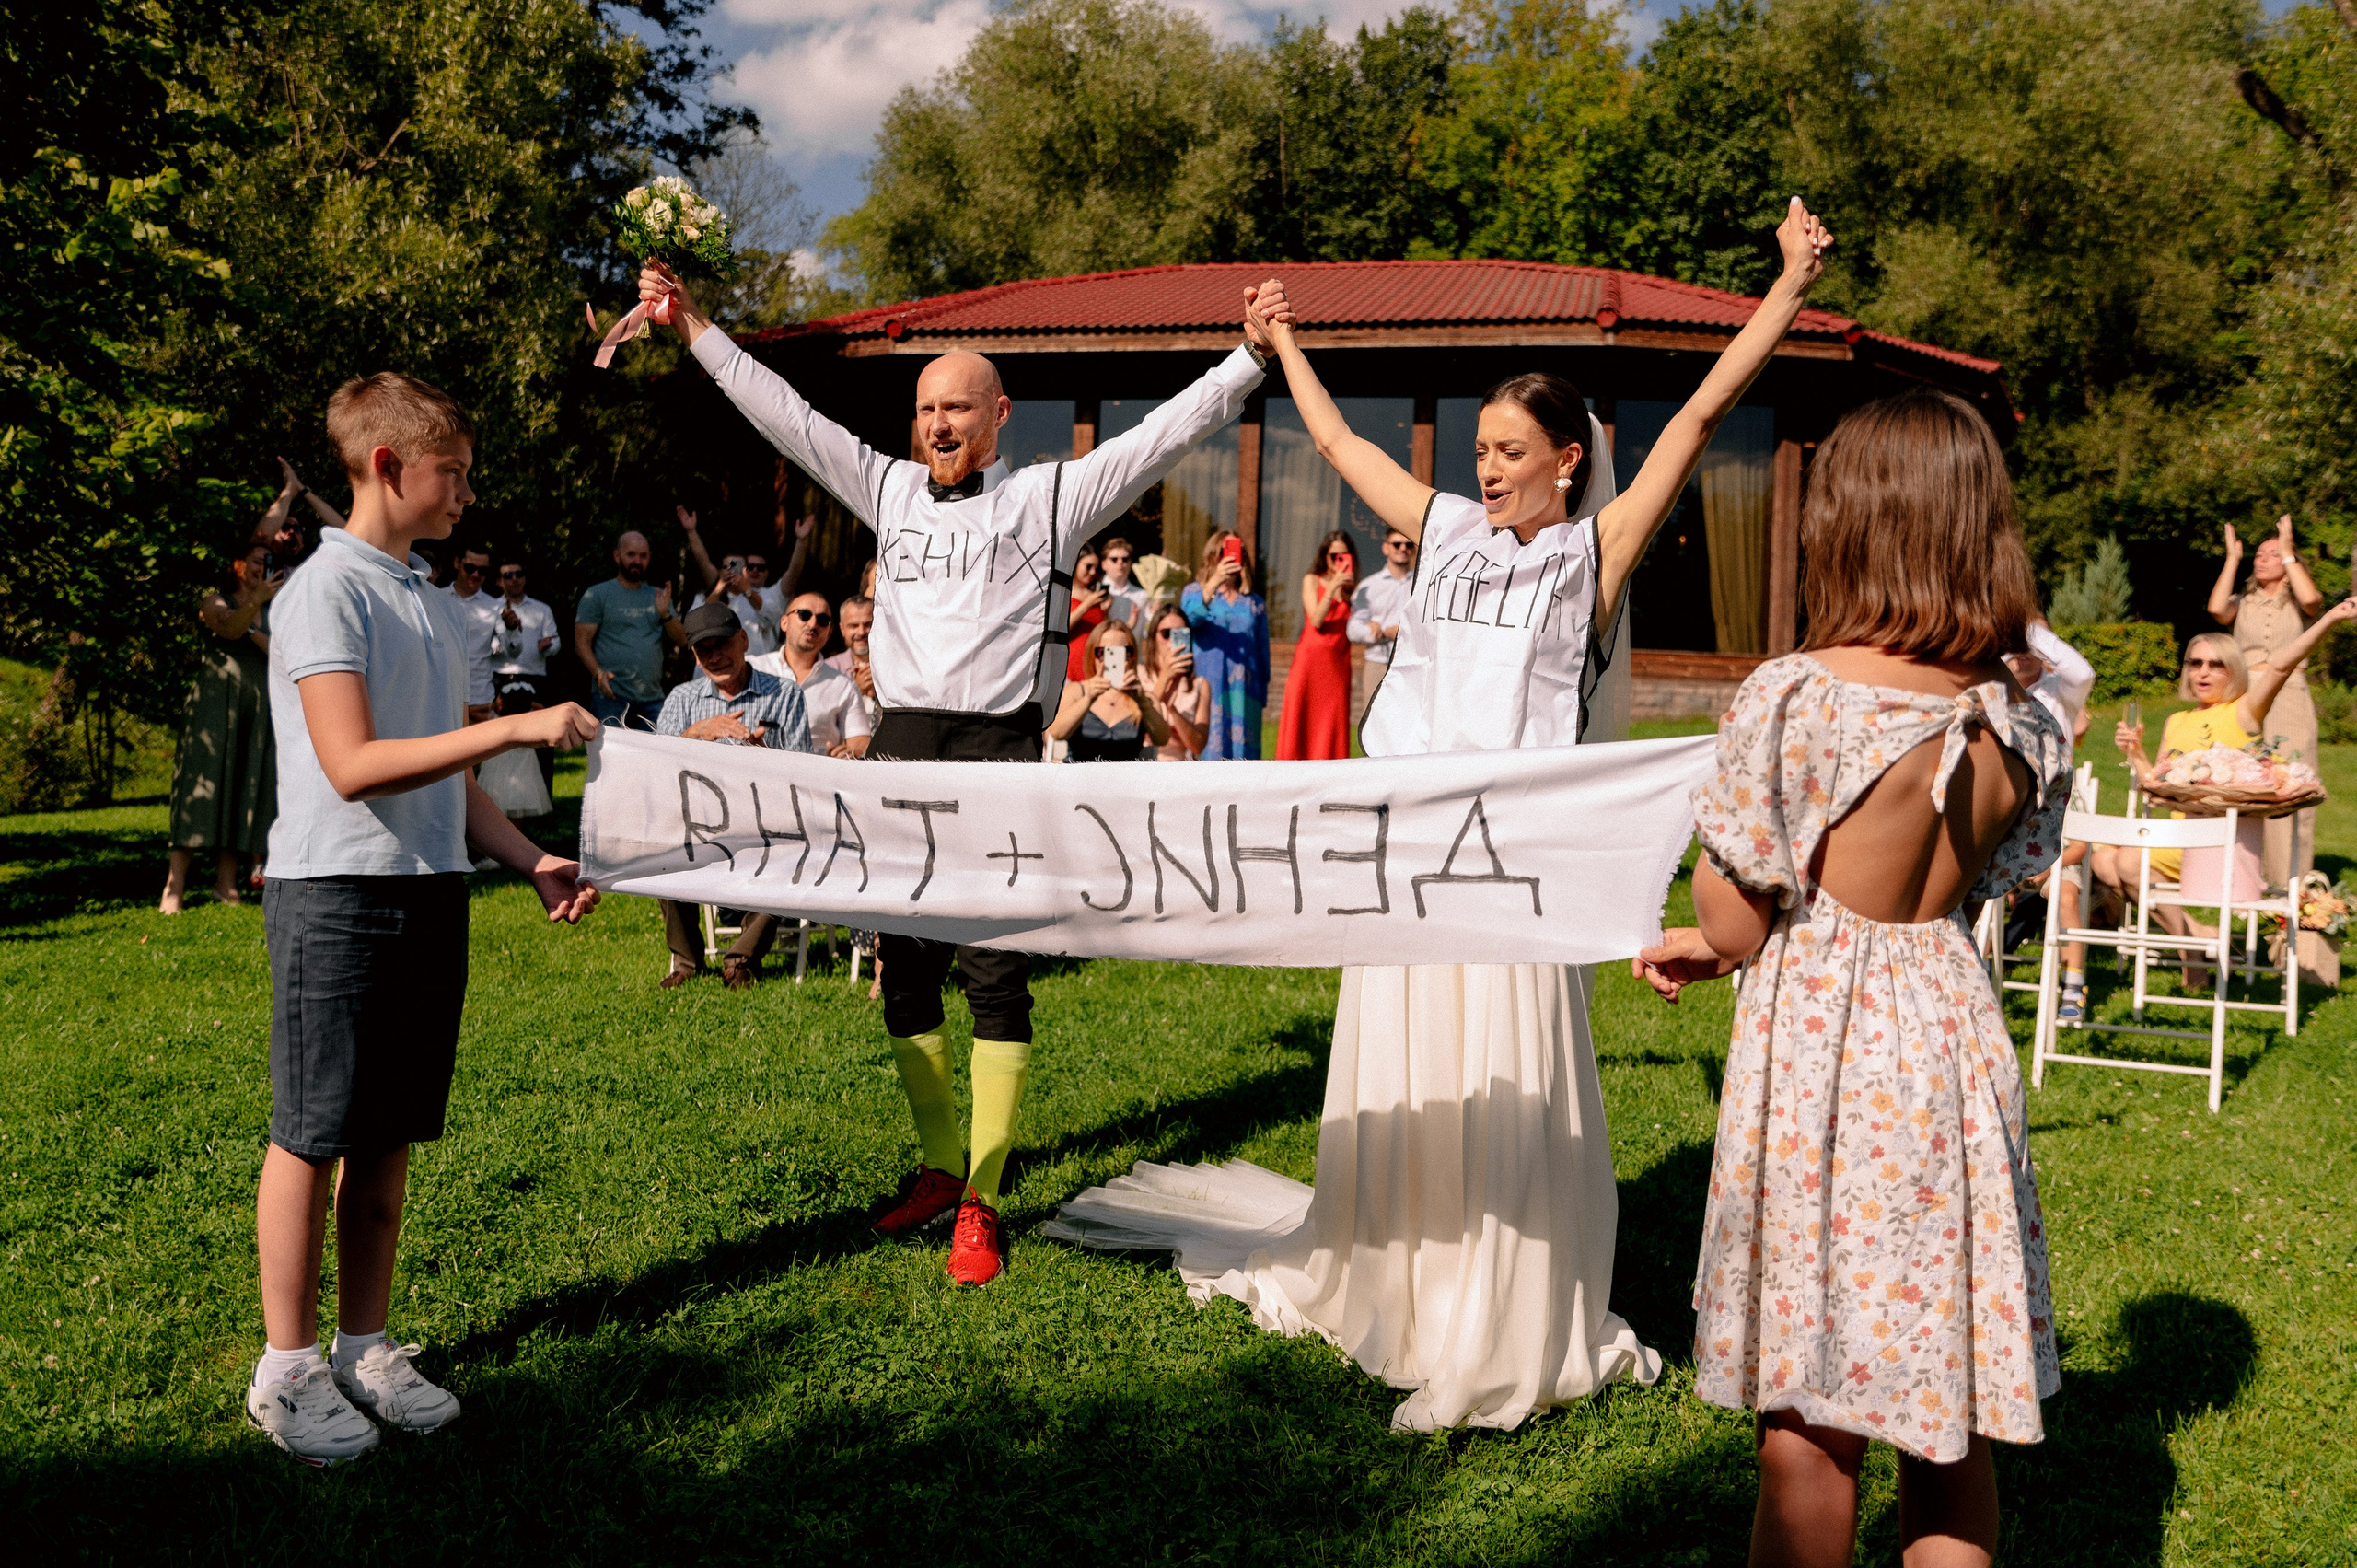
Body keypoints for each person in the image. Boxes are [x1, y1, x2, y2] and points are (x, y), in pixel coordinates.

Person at [1052, 199, 1837, 1431]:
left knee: (1502, 1067)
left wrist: (1785, 291)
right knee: (1409, 1058)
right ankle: (1397, 1266)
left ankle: (1497, 1298)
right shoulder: (1447, 530)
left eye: (1512, 450)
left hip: (1514, 861)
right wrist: (1284, 346)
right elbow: (1347, 455)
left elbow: (1696, 417)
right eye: (1480, 447)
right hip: (1410, 845)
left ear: (1569, 458)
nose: (1487, 465)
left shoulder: (1597, 551)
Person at [635, 253, 1276, 1286]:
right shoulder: (886, 486)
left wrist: (1247, 357)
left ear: (997, 415)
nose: (937, 422)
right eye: (926, 405)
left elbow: (1165, 433)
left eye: (957, 406)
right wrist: (694, 326)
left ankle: (981, 1196)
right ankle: (937, 1164)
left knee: (996, 979)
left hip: (997, 757)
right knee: (905, 971)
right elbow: (787, 417)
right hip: (901, 751)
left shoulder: (1051, 497)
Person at [1634, 386, 2071, 1568]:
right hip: (1950, 1037)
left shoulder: (1798, 693)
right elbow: (1987, 880)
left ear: (1852, 522)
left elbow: (1735, 912)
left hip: (1827, 1054)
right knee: (1946, 1416)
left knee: (1811, 1420)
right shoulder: (2030, 721)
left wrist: (1702, 933)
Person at [247, 372, 601, 1468]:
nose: (463, 494)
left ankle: (365, 1345)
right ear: (390, 468)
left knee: (389, 1131)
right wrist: (514, 728)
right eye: (451, 472)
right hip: (335, 892)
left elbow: (443, 779)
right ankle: (286, 1369)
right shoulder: (324, 593)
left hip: (425, 887)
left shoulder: (431, 599)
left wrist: (529, 854)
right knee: (313, 1133)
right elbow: (354, 764)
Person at [2108, 616, 2355, 983]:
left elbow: (2282, 664)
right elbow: (2159, 785)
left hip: (2225, 842)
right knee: (2103, 862)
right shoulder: (2177, 720)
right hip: (2180, 836)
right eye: (2195, 663)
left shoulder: (2244, 710)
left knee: (2126, 862)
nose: (2203, 673)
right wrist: (2136, 752)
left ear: (2234, 670)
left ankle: (2193, 950)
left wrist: (2331, 619)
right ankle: (2196, 940)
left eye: (2215, 664)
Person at [655, 602, 816, 990]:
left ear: (744, 640)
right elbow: (656, 770)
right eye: (703, 649)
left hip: (765, 819)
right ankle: (687, 960)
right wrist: (693, 735)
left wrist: (765, 761)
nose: (714, 655)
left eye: (722, 644)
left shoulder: (784, 694)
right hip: (697, 819)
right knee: (660, 851)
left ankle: (741, 959)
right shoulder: (682, 699)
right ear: (694, 654)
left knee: (787, 848)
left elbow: (804, 773)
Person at [164, 532, 283, 912]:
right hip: (216, 702)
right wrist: (253, 612)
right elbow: (228, 628)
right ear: (237, 565)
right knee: (202, 783)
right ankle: (174, 886)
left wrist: (258, 614)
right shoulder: (215, 599)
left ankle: (226, 884)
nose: (261, 568)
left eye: (268, 562)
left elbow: (281, 650)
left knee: (244, 784)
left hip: (259, 700)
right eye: (255, 560)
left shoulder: (277, 606)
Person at [2210, 514, 2328, 886]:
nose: (2261, 559)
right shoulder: (2244, 601)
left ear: (2290, 560)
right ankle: (2246, 878)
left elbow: (2311, 598)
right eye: (2258, 555)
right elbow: (2216, 610)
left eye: (2271, 554)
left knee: (2292, 780)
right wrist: (2232, 558)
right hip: (2245, 694)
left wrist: (2288, 549)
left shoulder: (2299, 602)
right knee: (2242, 780)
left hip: (2289, 695)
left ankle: (2292, 880)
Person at [575, 530, 686, 731]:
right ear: (617, 556)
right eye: (631, 554)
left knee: (656, 760)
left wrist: (665, 615)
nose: (637, 561)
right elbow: (581, 642)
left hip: (652, 699)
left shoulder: (658, 596)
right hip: (611, 697)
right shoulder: (598, 594)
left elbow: (683, 640)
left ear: (649, 559)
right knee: (612, 760)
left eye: (643, 556)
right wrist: (598, 674)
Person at [1180, 530, 1270, 760]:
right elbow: (1188, 620)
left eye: (1234, 551)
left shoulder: (1254, 602)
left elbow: (1263, 652)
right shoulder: (1193, 592)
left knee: (1243, 760)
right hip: (1209, 685)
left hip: (1245, 689)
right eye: (1222, 552)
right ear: (1211, 556)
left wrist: (1261, 694)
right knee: (1209, 749)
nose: (1227, 557)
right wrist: (1212, 585)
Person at [750, 592, 874, 757]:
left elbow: (859, 740)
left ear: (829, 633)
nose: (813, 624)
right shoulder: (753, 668)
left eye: (822, 620)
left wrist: (850, 753)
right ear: (784, 622)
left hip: (815, 778)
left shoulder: (843, 685)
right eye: (804, 615)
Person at [1274, 528, 1356, 760]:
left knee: (1332, 722)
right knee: (1303, 719)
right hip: (1310, 663)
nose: (1338, 562)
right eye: (1333, 557)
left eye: (1343, 556)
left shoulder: (1353, 590)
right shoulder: (1312, 580)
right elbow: (1317, 620)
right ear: (1325, 556)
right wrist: (1332, 587)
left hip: (1338, 665)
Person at [1047, 621, 1168, 761]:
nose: (1113, 661)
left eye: (1123, 653)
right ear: (1092, 655)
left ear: (1133, 656)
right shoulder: (1077, 691)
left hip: (1125, 779)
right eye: (1103, 653)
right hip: (1080, 779)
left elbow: (1162, 739)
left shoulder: (1144, 698)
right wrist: (1089, 699)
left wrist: (1143, 703)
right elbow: (1056, 733)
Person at [679, 503, 789, 657]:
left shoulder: (762, 596)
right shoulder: (705, 597)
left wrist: (747, 590)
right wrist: (719, 589)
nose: (732, 572)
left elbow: (770, 618)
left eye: (738, 567)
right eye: (727, 567)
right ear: (720, 571)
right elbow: (694, 624)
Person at [491, 554, 561, 796]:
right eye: (507, 575)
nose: (514, 580)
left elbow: (556, 642)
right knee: (502, 740)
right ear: (499, 581)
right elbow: (482, 645)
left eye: (518, 574)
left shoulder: (542, 609)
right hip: (500, 678)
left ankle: (542, 799)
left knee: (541, 739)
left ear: (525, 578)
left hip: (535, 678)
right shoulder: (491, 609)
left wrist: (548, 646)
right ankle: (500, 797)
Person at [1346, 527, 1416, 726]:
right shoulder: (1369, 586)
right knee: (1374, 724)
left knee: (1407, 723)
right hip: (1377, 663)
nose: (1402, 548)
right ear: (1386, 548)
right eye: (1396, 544)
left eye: (1408, 544)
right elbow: (1352, 628)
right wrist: (1372, 631)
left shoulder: (1422, 585)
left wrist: (1404, 631)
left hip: (1410, 662)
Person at [1142, 603, 1210, 760]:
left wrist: (1172, 709)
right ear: (1153, 636)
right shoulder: (1138, 675)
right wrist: (1164, 679)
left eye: (1180, 634)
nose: (1172, 641)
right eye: (1166, 633)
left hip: (1178, 765)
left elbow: (1197, 746)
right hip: (1143, 761)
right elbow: (1136, 727)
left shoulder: (1199, 685)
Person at [443, 542, 502, 724]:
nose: (476, 574)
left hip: (480, 693)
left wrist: (513, 629)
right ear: (456, 564)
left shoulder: (495, 606)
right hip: (442, 690)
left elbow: (512, 652)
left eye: (482, 571)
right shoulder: (437, 598)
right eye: (470, 568)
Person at [824, 593, 882, 732]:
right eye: (853, 626)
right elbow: (824, 721)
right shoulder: (827, 669)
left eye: (868, 624)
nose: (861, 632)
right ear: (842, 629)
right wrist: (856, 691)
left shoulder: (897, 667)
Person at [1064, 543, 1109, 681]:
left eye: (1096, 568)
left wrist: (1106, 611)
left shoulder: (1095, 595)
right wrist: (1086, 605)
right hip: (1071, 662)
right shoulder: (1065, 593)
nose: (1092, 572)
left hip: (1095, 662)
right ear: (1075, 564)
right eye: (1088, 567)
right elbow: (1062, 629)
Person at [1099, 535, 1148, 633]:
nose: (1120, 562)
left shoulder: (1143, 595)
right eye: (1114, 559)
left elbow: (1146, 632)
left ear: (1130, 563)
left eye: (1125, 559)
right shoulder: (1095, 592)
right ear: (1103, 564)